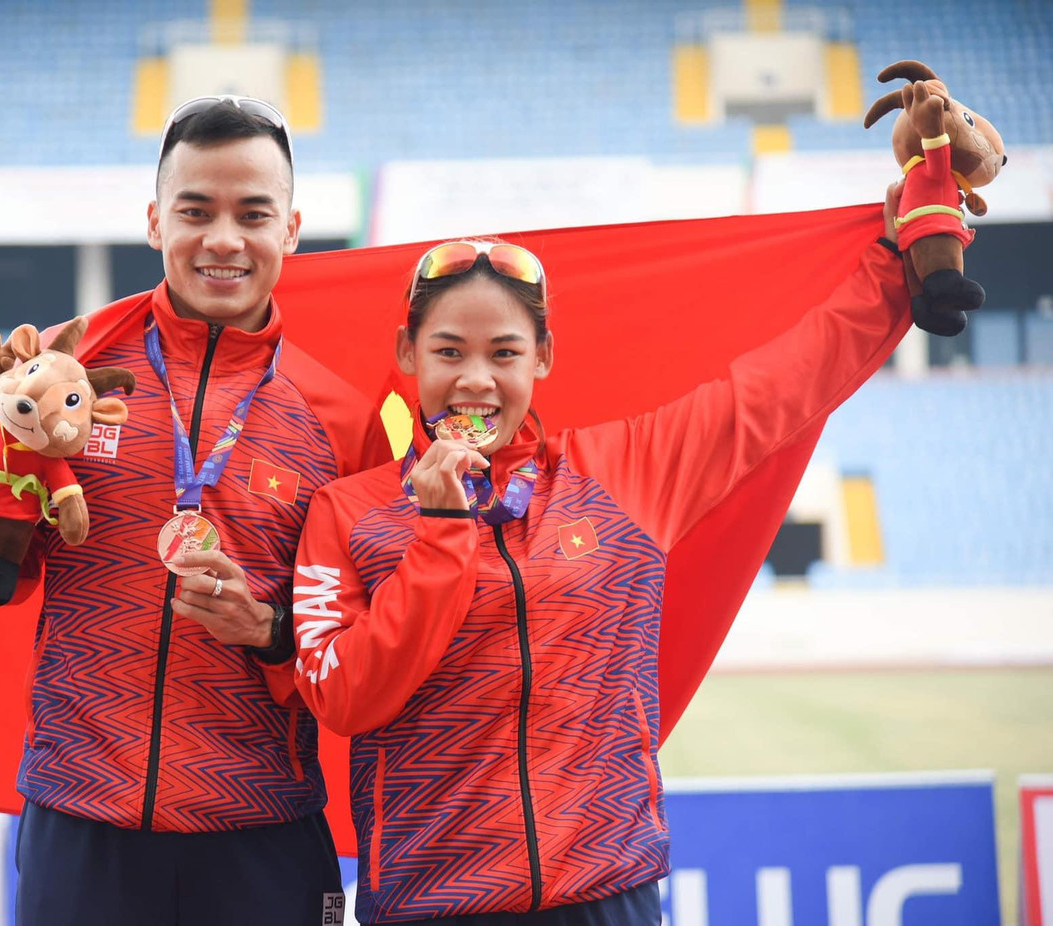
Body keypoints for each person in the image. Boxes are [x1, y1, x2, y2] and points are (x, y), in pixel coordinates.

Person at [289, 186, 913, 924]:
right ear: (407, 354)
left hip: (607, 893)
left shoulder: (622, 474)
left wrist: (903, 258)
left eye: (505, 353)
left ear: (544, 357)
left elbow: (785, 382)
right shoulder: (348, 511)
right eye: (448, 352)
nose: (475, 380)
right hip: (432, 903)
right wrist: (439, 530)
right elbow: (347, 698)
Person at [0, 96, 390, 925]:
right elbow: (5, 564)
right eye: (195, 211)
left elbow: (366, 641)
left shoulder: (343, 421)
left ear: (292, 230)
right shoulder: (61, 365)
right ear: (153, 220)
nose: (223, 240)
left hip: (263, 826)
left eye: (253, 214)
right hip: (82, 812)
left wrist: (270, 628)